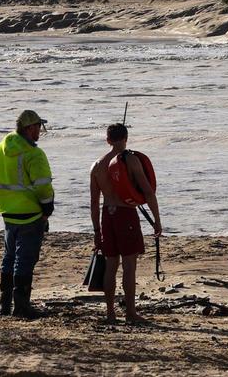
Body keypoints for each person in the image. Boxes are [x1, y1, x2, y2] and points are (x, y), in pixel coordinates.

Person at [0, 109, 55, 319]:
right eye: (39, 127)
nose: (40, 132)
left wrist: (6, 200)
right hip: (31, 215)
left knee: (9, 257)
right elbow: (43, 187)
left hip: (8, 213)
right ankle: (21, 306)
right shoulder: (34, 154)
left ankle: (4, 304)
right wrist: (47, 210)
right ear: (30, 128)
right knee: (25, 259)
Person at [89, 123, 162, 324]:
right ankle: (130, 313)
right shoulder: (130, 159)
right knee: (129, 265)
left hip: (107, 215)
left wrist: (96, 230)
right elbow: (148, 191)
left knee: (111, 265)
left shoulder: (96, 166)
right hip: (125, 214)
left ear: (108, 140)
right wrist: (157, 220)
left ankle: (110, 313)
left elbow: (94, 203)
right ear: (126, 138)